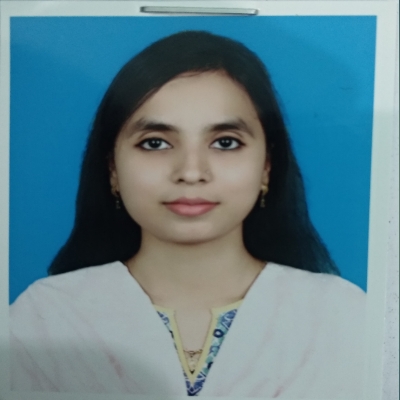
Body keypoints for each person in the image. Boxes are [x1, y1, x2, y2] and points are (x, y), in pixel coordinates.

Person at [9, 31, 365, 397]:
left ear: (267, 167)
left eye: (225, 142)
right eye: (155, 143)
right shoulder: (46, 317)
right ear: (112, 169)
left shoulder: (341, 316)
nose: (191, 172)